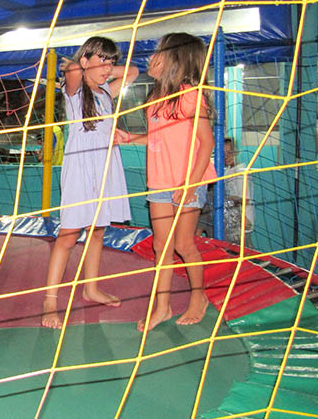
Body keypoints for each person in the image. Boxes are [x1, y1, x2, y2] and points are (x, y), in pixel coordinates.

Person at [117, 32, 216, 331]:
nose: (151, 57)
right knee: (161, 246)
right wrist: (130, 138)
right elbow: (159, 138)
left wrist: (190, 185)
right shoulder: (155, 98)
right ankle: (162, 307)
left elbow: (207, 143)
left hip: (188, 180)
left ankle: (199, 297)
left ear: (175, 60)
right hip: (159, 182)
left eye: (158, 52)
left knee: (184, 243)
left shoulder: (191, 95)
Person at [42, 37, 139, 329]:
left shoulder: (106, 91)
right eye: (102, 60)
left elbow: (133, 71)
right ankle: (49, 300)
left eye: (111, 62)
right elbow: (72, 70)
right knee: (69, 235)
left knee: (97, 231)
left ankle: (91, 287)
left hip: (105, 165)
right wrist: (82, 65)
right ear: (85, 61)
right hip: (80, 167)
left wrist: (100, 67)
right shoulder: (75, 90)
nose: (108, 68)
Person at [197, 137, 254, 244]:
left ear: (236, 152)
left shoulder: (241, 172)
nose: (226, 156)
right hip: (231, 220)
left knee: (243, 248)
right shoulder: (228, 171)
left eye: (229, 152)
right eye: (223, 153)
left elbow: (244, 199)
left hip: (242, 222)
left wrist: (224, 199)